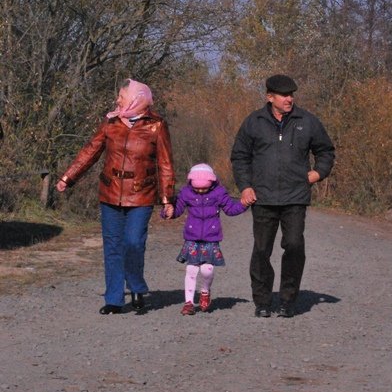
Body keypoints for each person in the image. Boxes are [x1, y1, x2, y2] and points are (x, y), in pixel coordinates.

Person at [56, 79, 175, 314]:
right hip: (110, 193)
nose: (117, 100)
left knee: (133, 242)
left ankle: (136, 286)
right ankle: (114, 299)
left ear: (136, 98)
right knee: (112, 246)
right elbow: (90, 150)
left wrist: (167, 198)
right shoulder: (111, 121)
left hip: (141, 194)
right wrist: (68, 178)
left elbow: (165, 164)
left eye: (121, 96)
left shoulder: (156, 125)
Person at [231, 74, 335, 318]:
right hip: (263, 198)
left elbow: (326, 151)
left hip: (295, 196)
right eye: (284, 95)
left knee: (294, 245)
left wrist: (317, 173)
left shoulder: (307, 121)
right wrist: (245, 186)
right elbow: (240, 156)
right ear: (270, 97)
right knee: (261, 250)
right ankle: (262, 301)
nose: (290, 99)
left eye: (291, 95)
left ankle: (288, 300)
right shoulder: (254, 122)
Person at [161, 163, 249, 315]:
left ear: (212, 182)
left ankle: (205, 291)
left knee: (207, 270)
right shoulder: (186, 193)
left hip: (211, 238)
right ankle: (188, 303)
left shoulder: (219, 193)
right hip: (192, 238)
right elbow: (178, 209)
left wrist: (243, 204)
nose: (200, 191)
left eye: (204, 188)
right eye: (197, 188)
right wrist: (168, 212)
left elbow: (230, 209)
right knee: (191, 269)